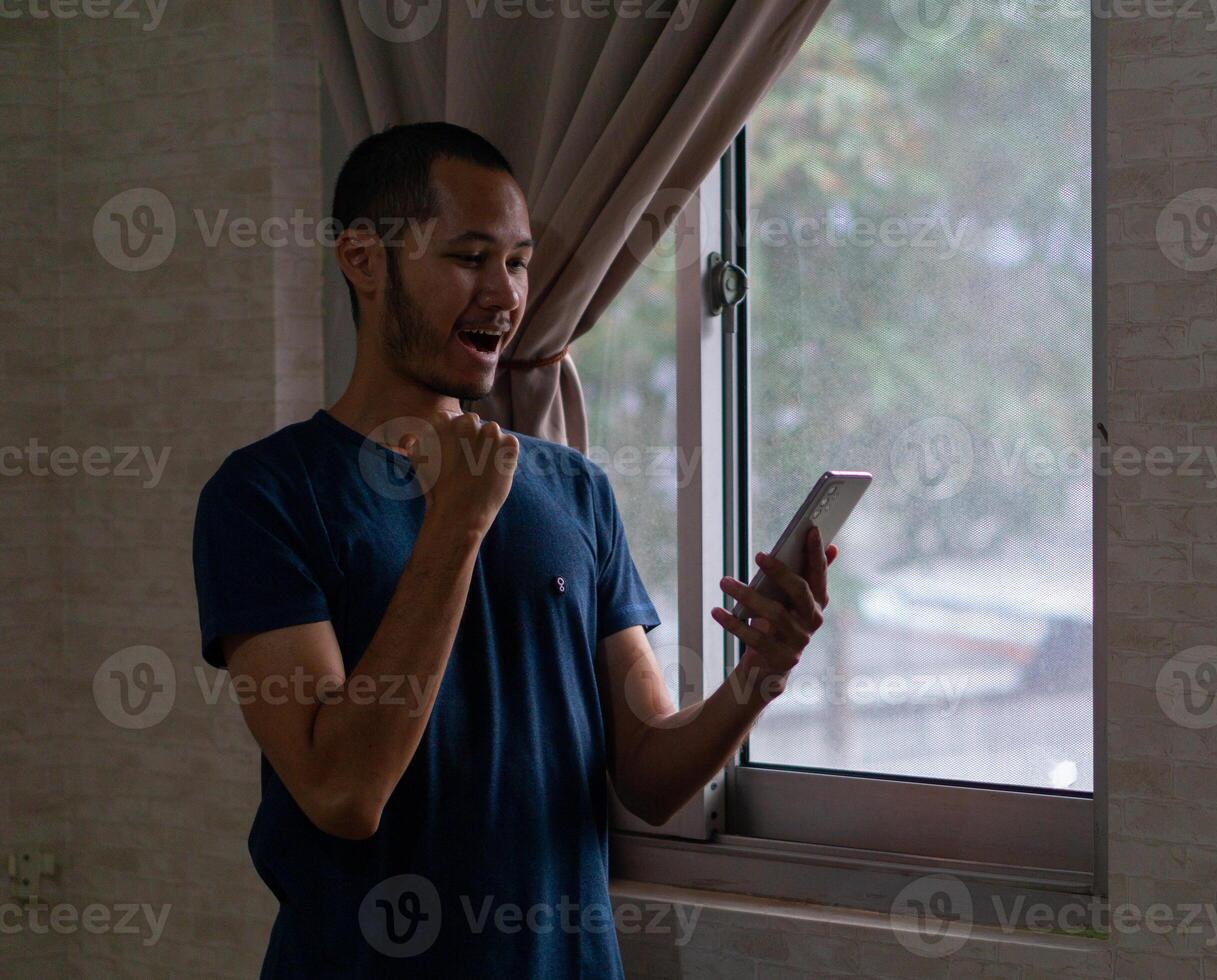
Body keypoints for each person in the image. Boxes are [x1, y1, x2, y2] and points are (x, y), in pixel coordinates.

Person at [191, 121, 838, 977]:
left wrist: (759, 674)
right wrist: (455, 526)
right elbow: (343, 792)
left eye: (519, 261)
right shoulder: (265, 496)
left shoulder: (573, 488)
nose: (505, 294)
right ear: (362, 260)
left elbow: (645, 774)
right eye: (469, 257)